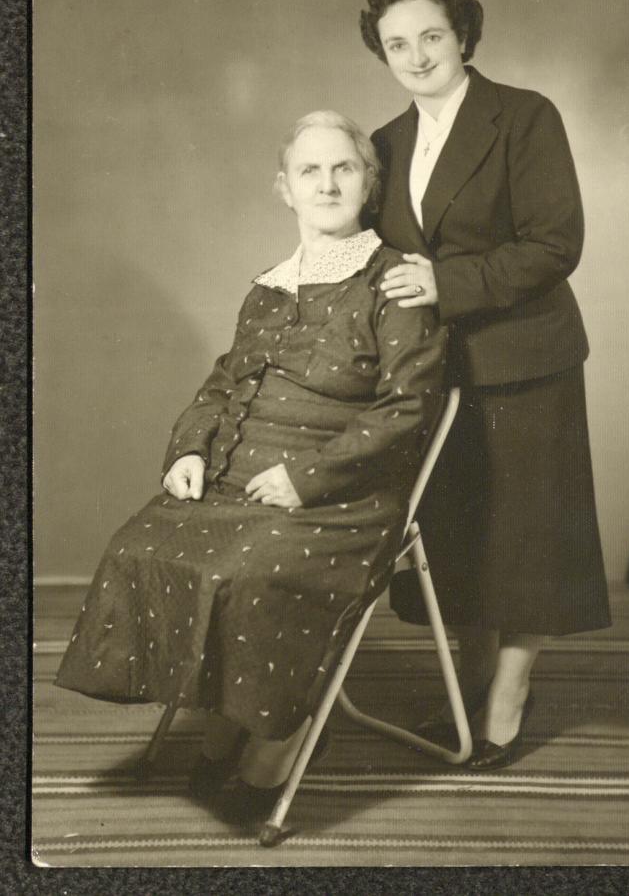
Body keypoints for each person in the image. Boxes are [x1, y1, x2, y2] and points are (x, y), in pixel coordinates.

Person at [55, 110, 447, 819]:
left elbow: (407, 408)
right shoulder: (269, 284)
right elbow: (224, 380)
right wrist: (190, 450)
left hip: (341, 493)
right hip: (237, 476)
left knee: (253, 569)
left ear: (368, 182)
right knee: (137, 546)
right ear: (285, 188)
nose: (327, 184)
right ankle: (228, 715)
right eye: (310, 171)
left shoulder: (393, 282)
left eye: (344, 169)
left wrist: (307, 476)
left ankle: (280, 733)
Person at [359, 0, 611, 770]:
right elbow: (367, 253)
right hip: (436, 371)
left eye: (431, 36)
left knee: (530, 543)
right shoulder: (385, 144)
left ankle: (507, 699)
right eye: (397, 43)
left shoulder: (525, 117)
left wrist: (447, 282)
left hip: (526, 361)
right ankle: (468, 684)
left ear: (463, 35)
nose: (416, 55)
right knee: (460, 540)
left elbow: (553, 243)